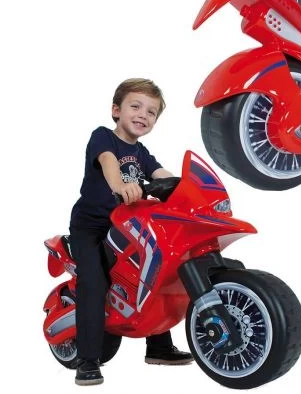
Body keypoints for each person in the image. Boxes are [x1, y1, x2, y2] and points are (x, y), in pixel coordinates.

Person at [69, 78, 193, 386]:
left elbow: (162, 175)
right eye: (135, 106)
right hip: (92, 227)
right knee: (94, 281)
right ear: (116, 110)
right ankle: (87, 359)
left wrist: (187, 191)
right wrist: (121, 185)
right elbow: (109, 164)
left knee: (158, 268)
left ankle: (159, 347)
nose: (143, 115)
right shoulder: (103, 137)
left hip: (124, 226)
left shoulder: (142, 152)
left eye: (151, 112)